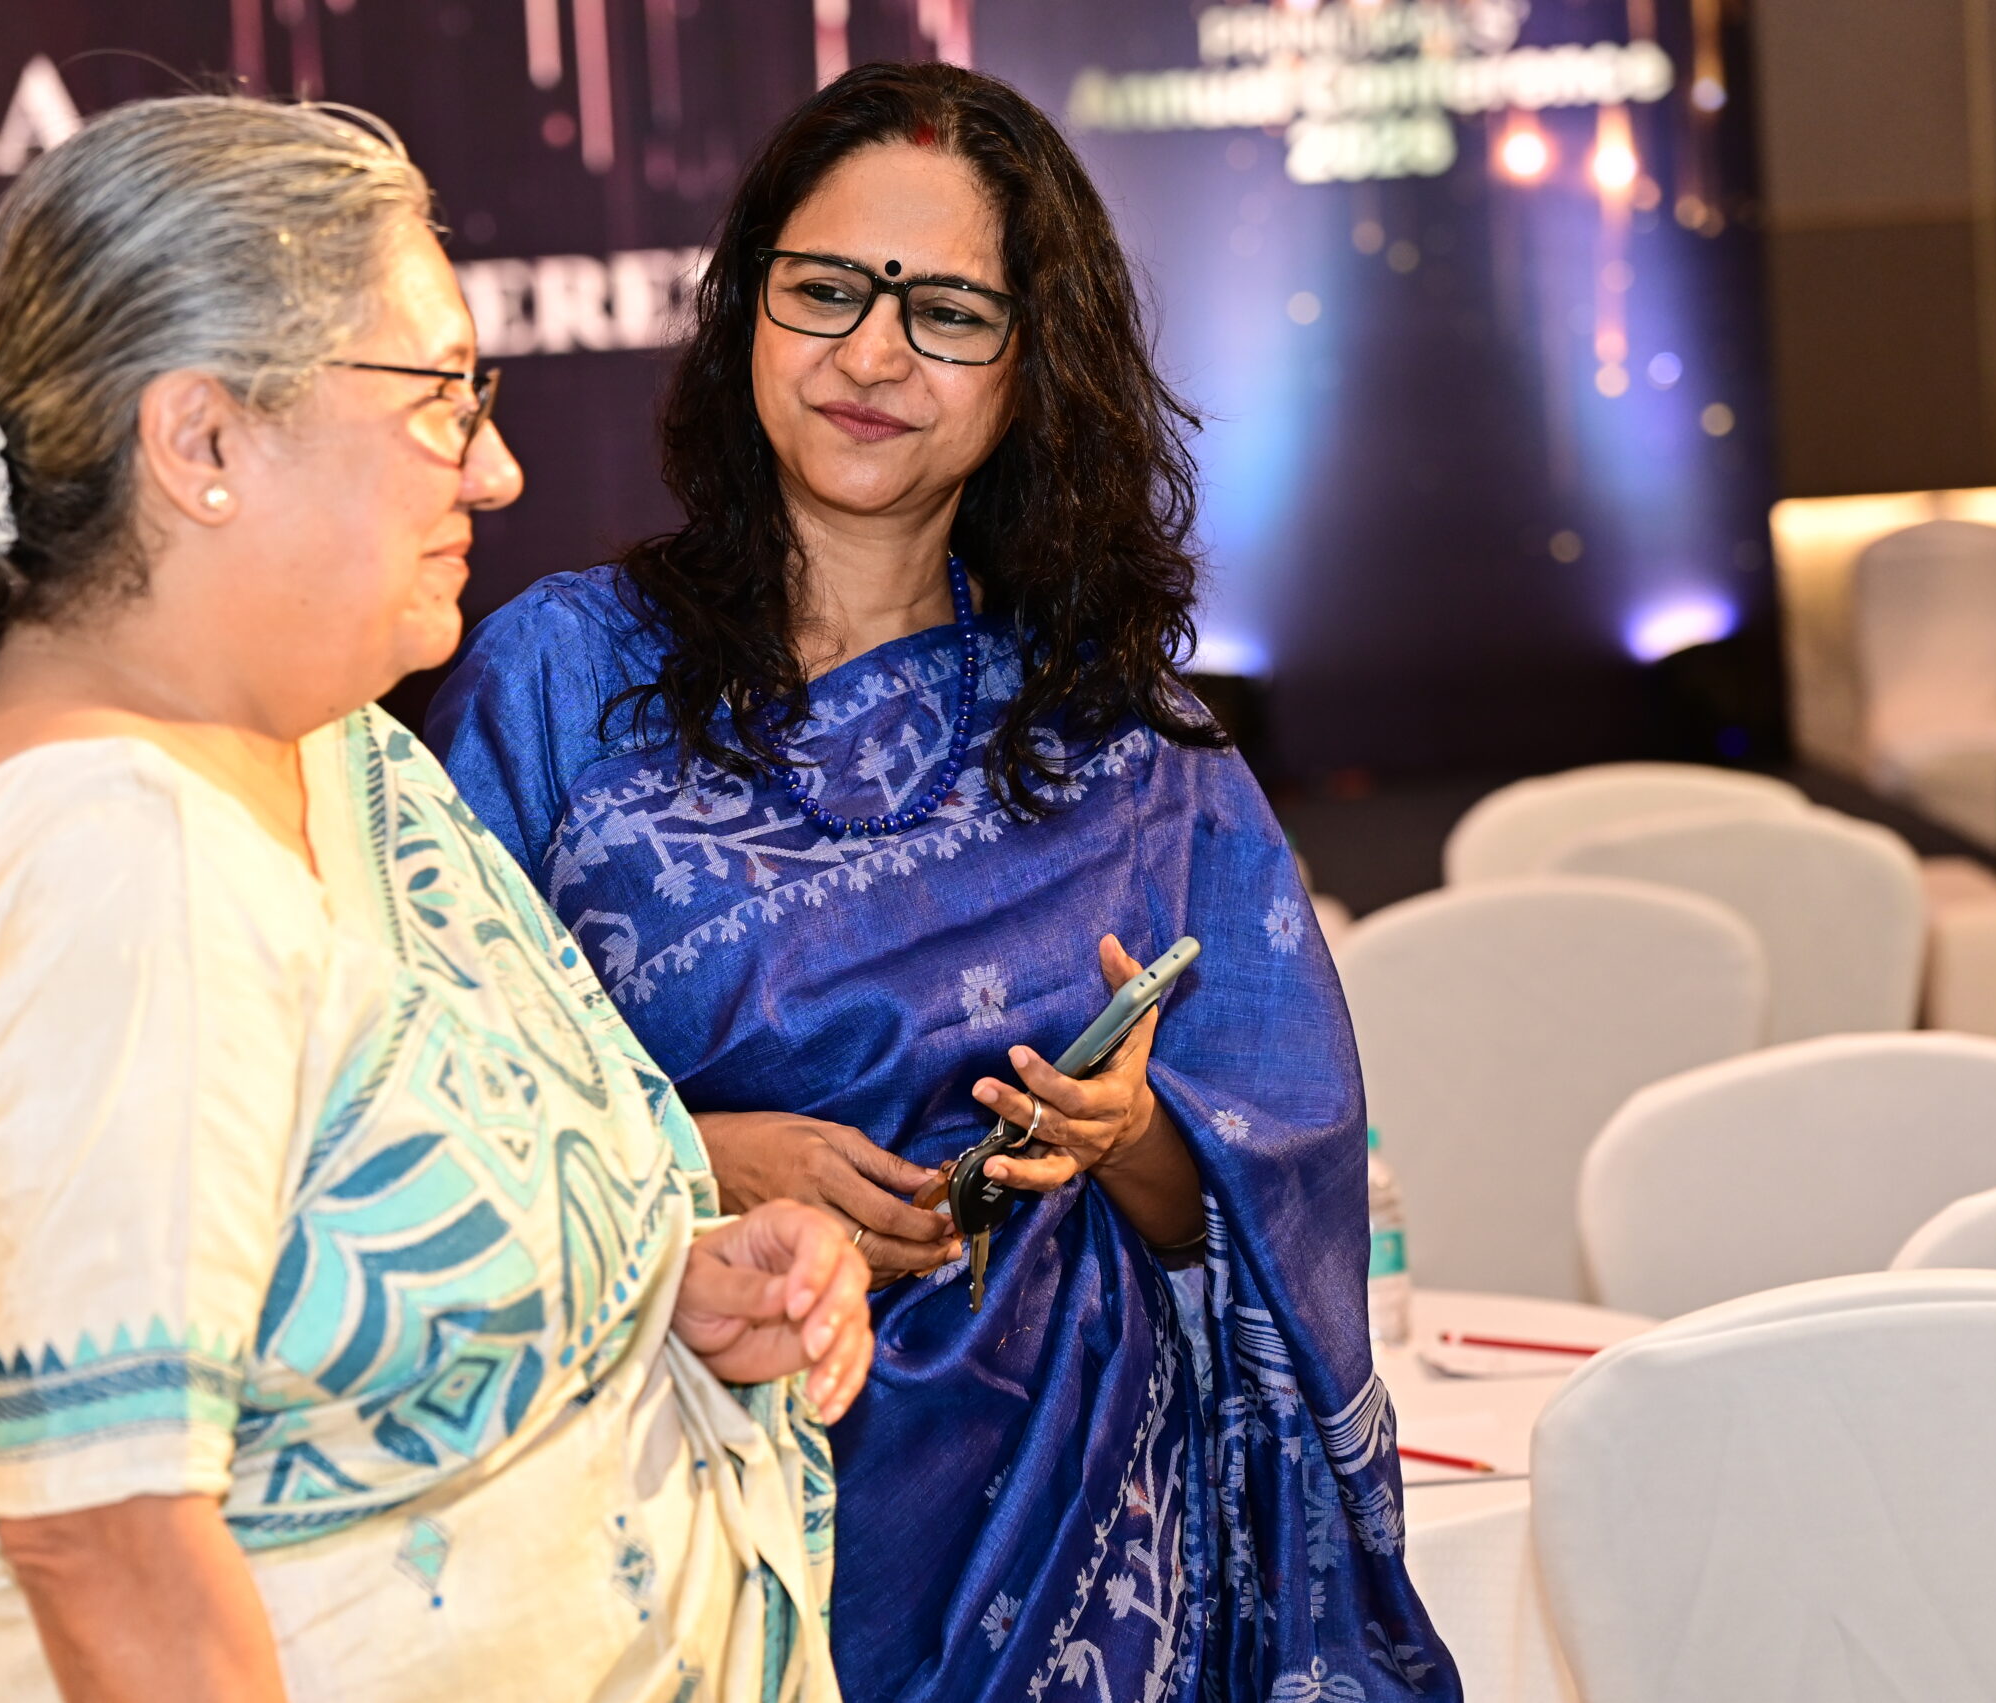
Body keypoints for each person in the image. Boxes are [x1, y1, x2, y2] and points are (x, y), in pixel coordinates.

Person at [0, 96, 870, 1703]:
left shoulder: (326, 747)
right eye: (440, 397)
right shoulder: (109, 855)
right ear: (204, 442)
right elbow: (116, 1557)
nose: (496, 468)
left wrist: (656, 1287)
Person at [430, 62, 1452, 1702]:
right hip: (672, 1513)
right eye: (827, 290)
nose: (872, 355)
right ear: (746, 310)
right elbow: (421, 1107)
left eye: (949, 313)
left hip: (1083, 1542)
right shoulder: (557, 683)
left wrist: (1128, 1133)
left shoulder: (1122, 734)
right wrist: (693, 1158)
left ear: (1033, 363)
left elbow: (1267, 1187)